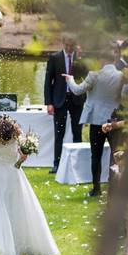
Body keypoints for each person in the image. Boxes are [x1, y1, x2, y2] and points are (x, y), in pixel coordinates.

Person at [0, 114, 59, 255]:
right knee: (9, 212)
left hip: (0, 177)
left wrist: (21, 159)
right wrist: (20, 160)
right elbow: (15, 163)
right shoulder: (11, 137)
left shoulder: (7, 137)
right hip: (7, 176)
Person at [65, 43, 125, 197]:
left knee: (96, 156)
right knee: (115, 155)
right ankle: (113, 190)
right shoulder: (121, 76)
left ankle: (96, 188)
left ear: (101, 60)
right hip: (115, 121)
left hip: (97, 121)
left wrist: (70, 79)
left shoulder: (94, 75)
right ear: (114, 59)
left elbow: (78, 90)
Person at [44, 34, 87, 173]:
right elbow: (48, 82)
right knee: (59, 133)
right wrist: (49, 103)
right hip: (59, 100)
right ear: (63, 43)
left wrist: (81, 59)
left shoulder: (80, 59)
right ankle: (56, 163)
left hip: (77, 100)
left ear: (75, 45)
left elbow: (86, 78)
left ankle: (78, 163)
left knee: (77, 132)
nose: (69, 48)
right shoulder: (55, 58)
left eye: (71, 46)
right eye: (67, 45)